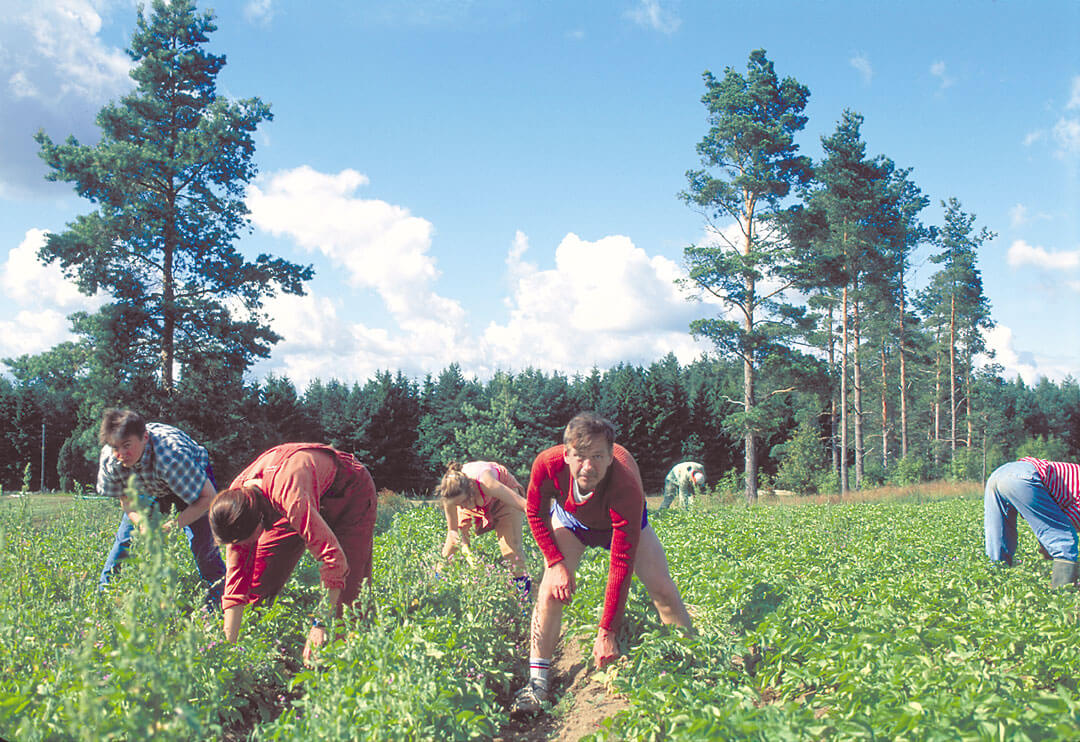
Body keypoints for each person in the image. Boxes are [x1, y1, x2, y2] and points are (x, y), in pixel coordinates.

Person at [511, 412, 694, 715]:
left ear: (611, 456)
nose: (588, 466)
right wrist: (555, 562)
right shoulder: (546, 465)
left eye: (597, 456)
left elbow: (620, 562)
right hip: (571, 521)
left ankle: (692, 662)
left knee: (662, 588)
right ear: (566, 453)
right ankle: (537, 683)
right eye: (580, 456)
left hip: (620, 524)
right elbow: (535, 513)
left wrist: (607, 631)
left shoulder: (625, 485)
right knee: (550, 590)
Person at [209, 443, 377, 662]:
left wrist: (319, 623)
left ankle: (344, 665)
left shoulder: (292, 499)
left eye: (248, 541)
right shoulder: (236, 504)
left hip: (349, 490)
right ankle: (257, 651)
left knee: (346, 605)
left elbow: (333, 560)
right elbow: (236, 582)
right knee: (258, 584)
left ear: (260, 522)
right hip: (293, 494)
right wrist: (227, 651)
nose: (243, 547)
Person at [95, 408, 225, 610]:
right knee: (126, 538)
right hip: (145, 484)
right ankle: (103, 598)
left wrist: (173, 525)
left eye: (127, 446)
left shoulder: (172, 456)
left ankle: (218, 597)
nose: (120, 454)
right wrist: (142, 523)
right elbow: (126, 499)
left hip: (189, 482)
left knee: (202, 542)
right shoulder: (111, 460)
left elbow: (208, 498)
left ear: (145, 437)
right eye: (115, 447)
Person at [435, 461, 531, 596]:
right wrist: (469, 556)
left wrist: (548, 524)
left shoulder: (487, 483)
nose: (460, 507)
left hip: (503, 500)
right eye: (457, 505)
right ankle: (436, 590)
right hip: (473, 499)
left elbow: (525, 506)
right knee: (450, 546)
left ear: (471, 488)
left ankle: (524, 601)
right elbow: (453, 532)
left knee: (511, 551)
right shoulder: (451, 496)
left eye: (462, 502)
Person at [984, 456, 1080, 587]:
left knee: (999, 543)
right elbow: (1064, 526)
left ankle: (992, 589)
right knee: (1065, 541)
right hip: (1024, 477)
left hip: (999, 474)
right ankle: (1063, 596)